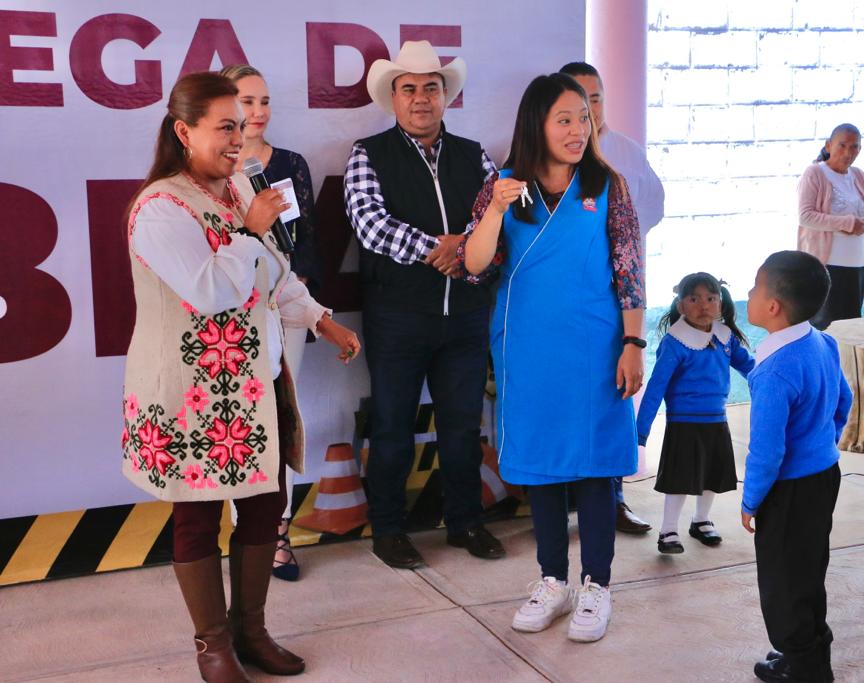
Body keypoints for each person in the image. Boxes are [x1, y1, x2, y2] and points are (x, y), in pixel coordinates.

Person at [122, 72, 360, 682]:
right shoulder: (159, 207)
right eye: (225, 125)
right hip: (190, 393)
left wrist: (320, 318)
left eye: (243, 123)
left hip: (254, 387)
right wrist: (248, 229)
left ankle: (252, 631)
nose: (240, 135)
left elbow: (276, 276)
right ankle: (213, 646)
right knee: (197, 516)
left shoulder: (237, 190)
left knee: (264, 506)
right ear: (184, 131)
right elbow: (210, 290)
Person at [458, 73, 645, 643]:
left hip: (596, 344)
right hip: (528, 347)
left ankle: (596, 587)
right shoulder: (504, 187)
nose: (576, 129)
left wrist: (634, 343)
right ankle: (552, 580)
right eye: (563, 118)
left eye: (583, 118)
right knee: (541, 465)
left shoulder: (607, 184)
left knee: (593, 466)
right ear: (536, 123)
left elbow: (630, 271)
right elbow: (474, 264)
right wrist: (493, 210)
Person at [344, 40, 505, 569]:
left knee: (462, 426)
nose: (420, 98)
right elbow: (369, 225)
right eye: (409, 88)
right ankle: (388, 530)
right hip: (398, 318)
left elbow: (494, 222)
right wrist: (445, 249)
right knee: (392, 424)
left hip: (464, 316)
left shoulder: (474, 154)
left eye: (430, 88)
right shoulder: (368, 153)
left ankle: (465, 522)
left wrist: (460, 250)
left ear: (445, 96)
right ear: (393, 98)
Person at [220, 63, 323, 582]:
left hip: (288, 308)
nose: (256, 113)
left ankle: (277, 532)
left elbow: (304, 238)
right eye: (245, 102)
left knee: (281, 419)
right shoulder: (212, 170)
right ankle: (248, 532)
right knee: (247, 423)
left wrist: (295, 287)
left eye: (263, 101)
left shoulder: (290, 164)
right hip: (236, 317)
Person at [560, 60, 664, 536]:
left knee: (610, 403)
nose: (589, 110)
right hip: (560, 307)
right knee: (561, 404)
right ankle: (554, 504)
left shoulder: (627, 153)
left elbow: (646, 218)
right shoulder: (540, 159)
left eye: (595, 98)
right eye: (578, 102)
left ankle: (613, 500)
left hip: (615, 306)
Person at [742, 250, 852, 683]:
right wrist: (824, 443)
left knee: (783, 584)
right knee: (808, 570)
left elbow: (766, 452)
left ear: (773, 307)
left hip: (788, 491)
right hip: (824, 476)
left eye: (754, 288)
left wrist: (751, 500)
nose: (747, 295)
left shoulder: (773, 371)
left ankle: (806, 669)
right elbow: (844, 400)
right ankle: (807, 656)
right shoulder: (822, 343)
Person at [635, 273, 753, 555]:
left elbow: (749, 366)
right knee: (680, 479)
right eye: (694, 299)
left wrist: (774, 379)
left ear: (721, 303)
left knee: (712, 474)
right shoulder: (675, 343)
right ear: (680, 306)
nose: (704, 305)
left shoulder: (726, 337)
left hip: (717, 420)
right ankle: (668, 530)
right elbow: (656, 388)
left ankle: (701, 521)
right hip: (684, 424)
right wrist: (640, 430)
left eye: (711, 298)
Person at [797, 123, 864, 330]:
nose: (848, 152)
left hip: (857, 264)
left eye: (854, 147)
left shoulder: (859, 175)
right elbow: (805, 216)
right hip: (826, 265)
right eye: (842, 145)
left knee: (851, 327)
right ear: (828, 145)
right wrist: (848, 223)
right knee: (826, 326)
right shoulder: (814, 173)